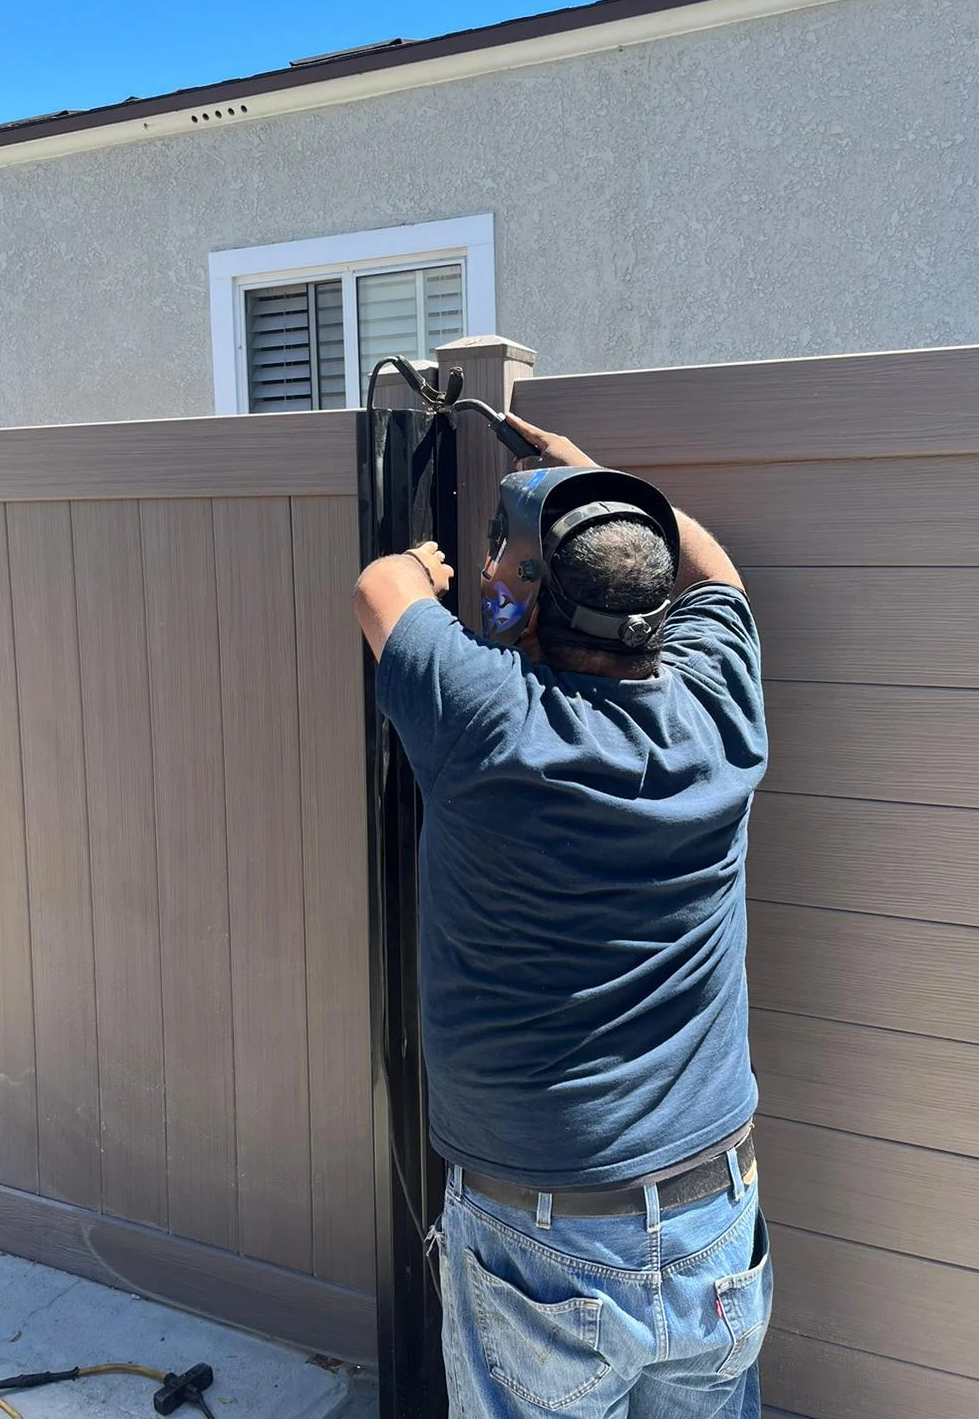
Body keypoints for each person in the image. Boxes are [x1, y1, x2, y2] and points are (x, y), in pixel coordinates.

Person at [353, 410, 772, 1419]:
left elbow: (382, 588)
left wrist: (433, 564)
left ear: (529, 609)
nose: (494, 569)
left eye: (509, 562)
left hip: (542, 1242)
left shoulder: (487, 719)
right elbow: (717, 578)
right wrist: (602, 483)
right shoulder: (720, 706)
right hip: (715, 1217)